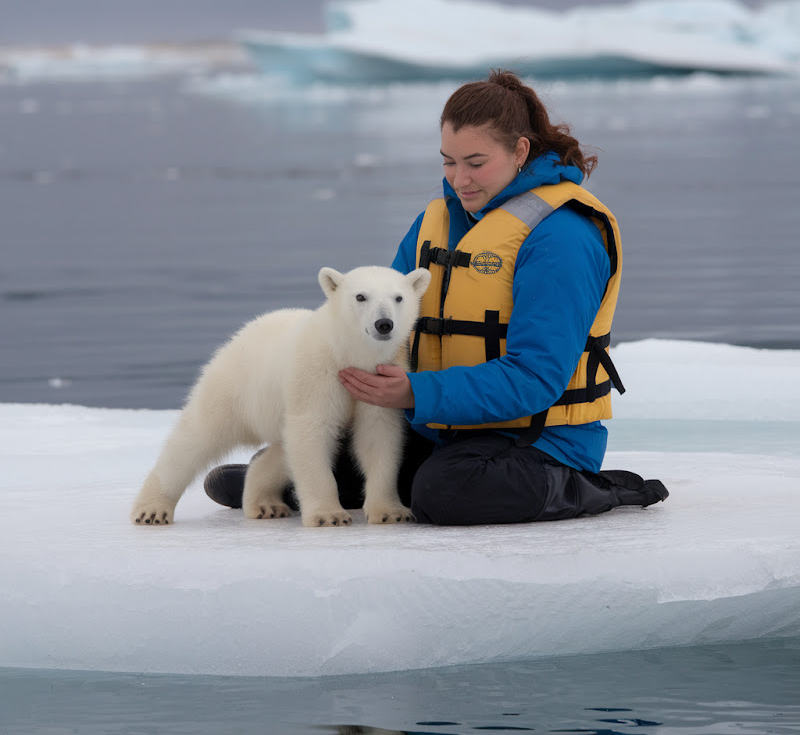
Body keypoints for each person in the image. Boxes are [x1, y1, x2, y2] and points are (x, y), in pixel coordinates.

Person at [204, 69, 668, 525]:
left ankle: (595, 487)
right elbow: (385, 325)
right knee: (292, 472)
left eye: (476, 162)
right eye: (449, 161)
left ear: (519, 151)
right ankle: (420, 472)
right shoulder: (439, 222)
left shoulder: (562, 236)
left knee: (447, 492)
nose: (460, 179)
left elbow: (536, 378)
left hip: (541, 439)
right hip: (441, 427)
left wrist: (414, 391)